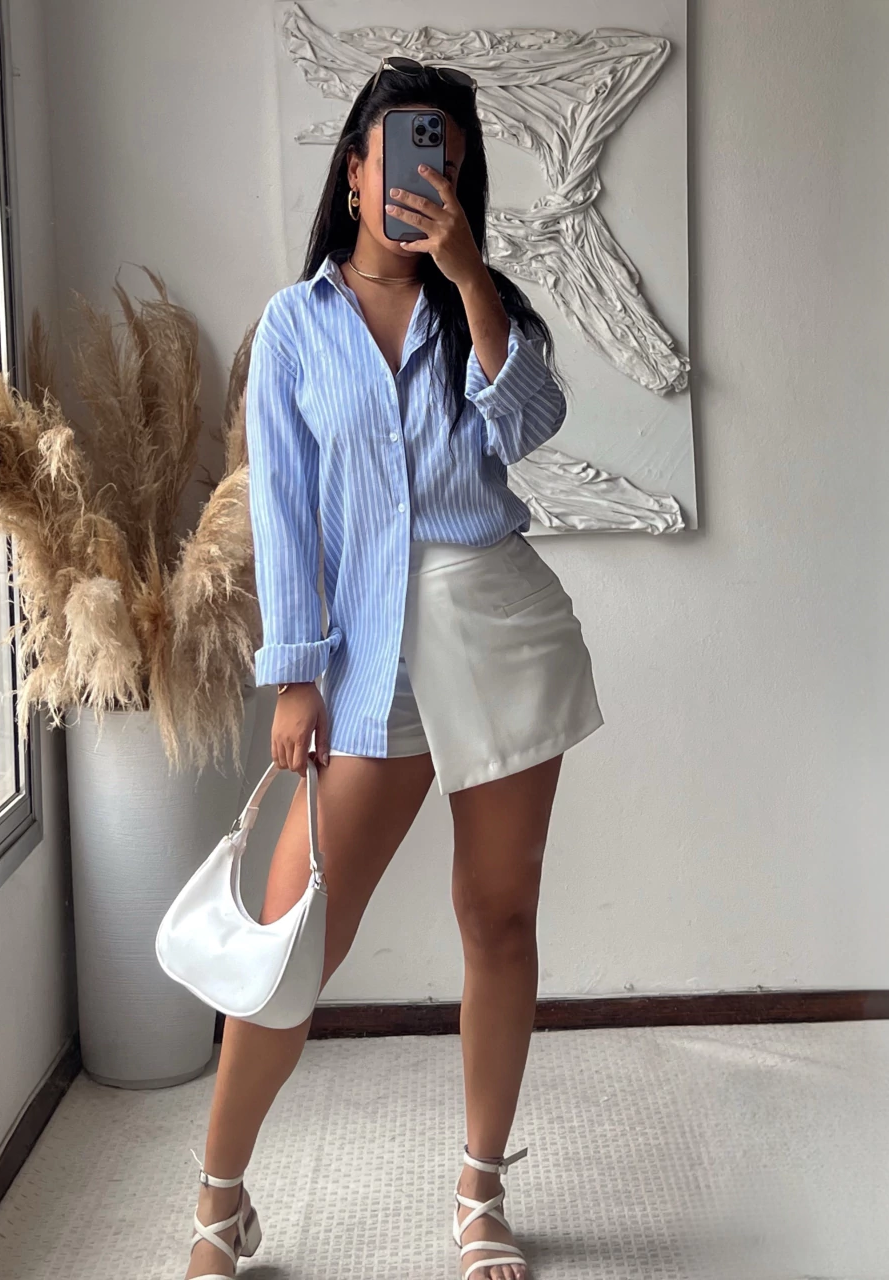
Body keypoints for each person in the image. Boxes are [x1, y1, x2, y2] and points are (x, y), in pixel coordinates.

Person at [184, 58, 604, 1280]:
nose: (428, 178)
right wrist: (296, 671)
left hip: (497, 626)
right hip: (366, 652)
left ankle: (480, 1191)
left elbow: (529, 426)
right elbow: (286, 514)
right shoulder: (294, 327)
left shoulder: (479, 307)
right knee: (290, 940)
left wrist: (469, 279)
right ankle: (219, 1199)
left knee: (499, 916)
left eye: (451, 165)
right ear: (357, 166)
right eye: (410, 153)